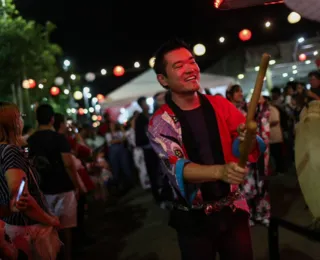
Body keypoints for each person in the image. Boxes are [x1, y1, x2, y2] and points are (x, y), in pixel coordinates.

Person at [148, 39, 266, 260]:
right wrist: (219, 171)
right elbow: (177, 167)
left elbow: (242, 149)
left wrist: (247, 138)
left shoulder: (220, 105)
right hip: (192, 218)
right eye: (178, 66)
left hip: (232, 209)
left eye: (191, 62)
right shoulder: (160, 122)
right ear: (162, 79)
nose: (190, 69)